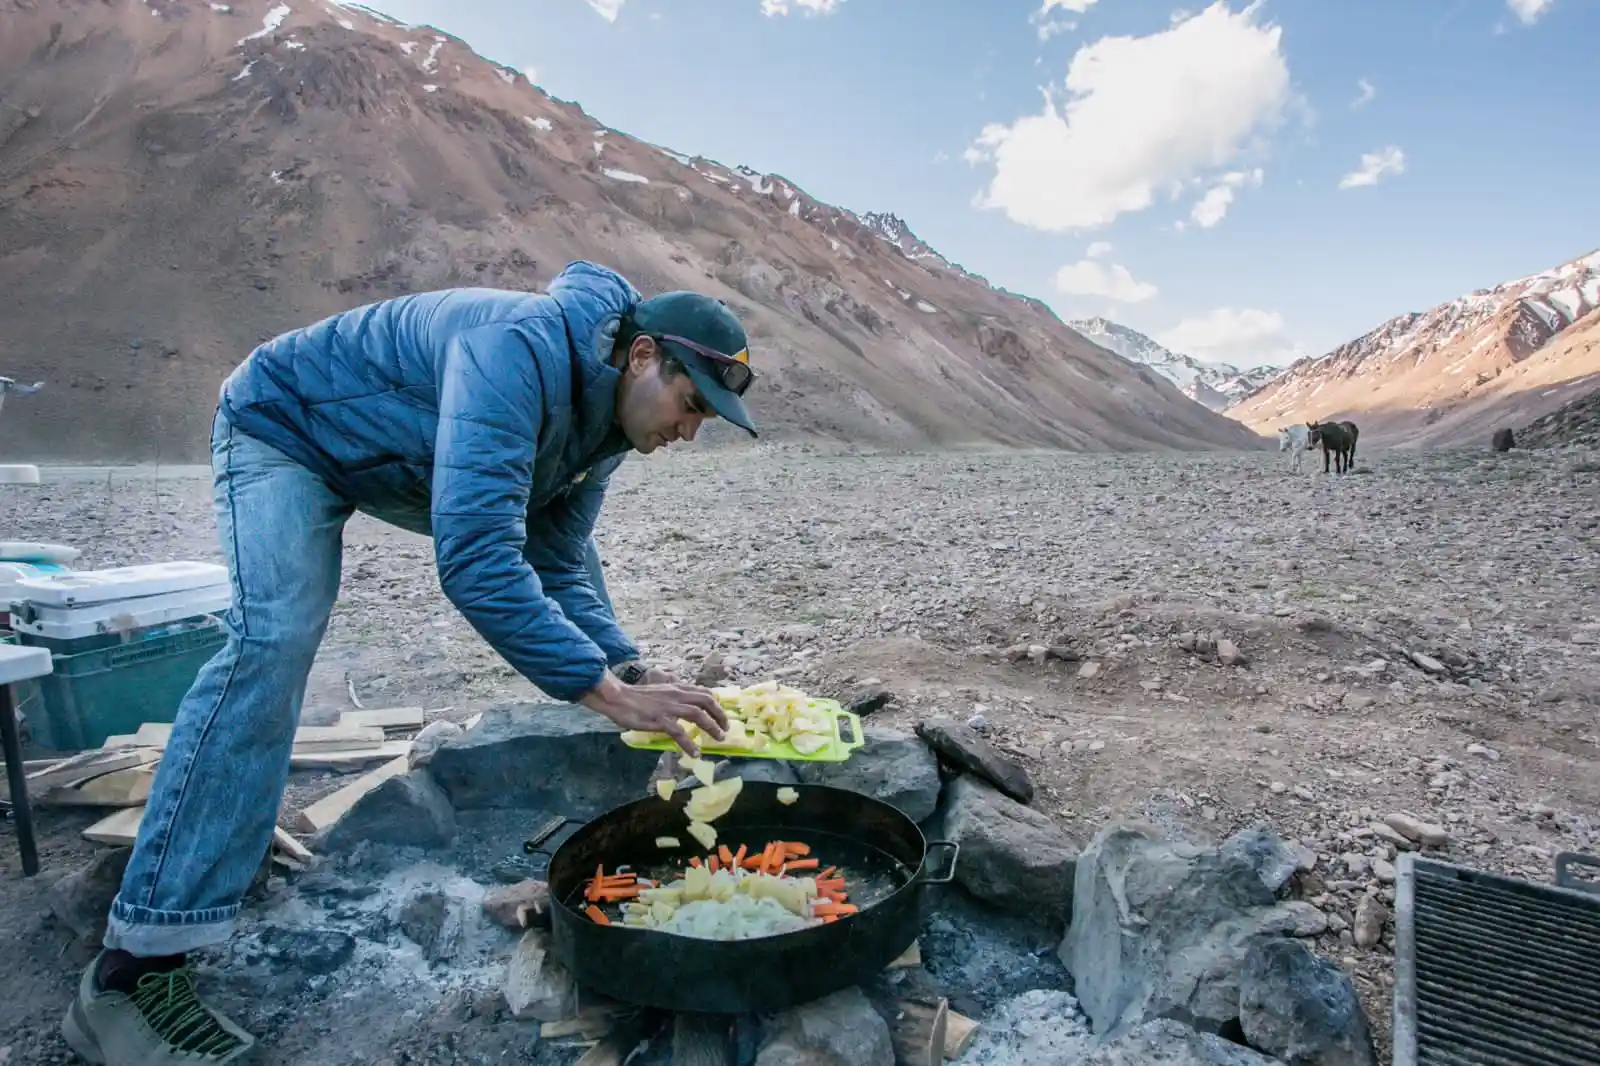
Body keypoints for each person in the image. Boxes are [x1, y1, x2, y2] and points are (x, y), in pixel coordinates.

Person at [61, 260, 754, 1065]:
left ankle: (221, 846)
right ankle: (129, 972)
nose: (690, 430)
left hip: (385, 459)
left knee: (304, 639)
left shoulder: (606, 430)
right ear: (642, 359)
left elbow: (558, 561)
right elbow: (477, 561)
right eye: (692, 404)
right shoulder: (516, 353)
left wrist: (631, 673)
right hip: (284, 429)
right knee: (273, 639)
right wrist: (600, 691)